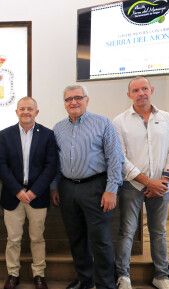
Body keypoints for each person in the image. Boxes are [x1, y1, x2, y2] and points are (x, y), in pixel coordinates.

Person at [50, 84, 123, 289]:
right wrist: (55, 187)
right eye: (68, 99)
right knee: (76, 238)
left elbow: (115, 158)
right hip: (67, 189)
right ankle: (85, 280)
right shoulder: (58, 128)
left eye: (78, 98)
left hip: (96, 188)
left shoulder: (103, 123)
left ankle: (105, 284)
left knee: (100, 241)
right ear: (64, 103)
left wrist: (111, 189)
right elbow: (56, 161)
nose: (73, 102)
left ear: (86, 100)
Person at [113, 76, 169, 289]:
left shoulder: (167, 118)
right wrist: (147, 182)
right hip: (132, 185)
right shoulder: (119, 121)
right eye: (136, 90)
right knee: (127, 231)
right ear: (129, 95)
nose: (141, 93)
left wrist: (163, 181)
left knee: (158, 231)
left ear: (151, 90)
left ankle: (161, 275)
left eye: (144, 88)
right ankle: (123, 276)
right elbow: (120, 158)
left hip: (162, 186)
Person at [0, 97, 57, 289]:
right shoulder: (5, 134)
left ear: (36, 112)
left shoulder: (47, 135)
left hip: (37, 197)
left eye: (30, 109)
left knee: (37, 238)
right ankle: (13, 274)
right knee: (13, 238)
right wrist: (18, 191)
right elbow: (2, 166)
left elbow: (51, 166)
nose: (25, 112)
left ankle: (39, 274)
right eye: (22, 108)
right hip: (13, 196)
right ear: (16, 112)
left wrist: (33, 192)